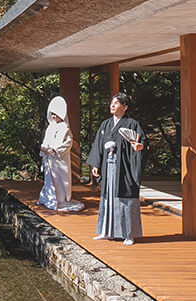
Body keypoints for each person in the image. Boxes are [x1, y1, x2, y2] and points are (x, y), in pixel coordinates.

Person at [87, 92, 146, 245]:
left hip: (124, 168)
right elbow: (98, 145)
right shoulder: (105, 124)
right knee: (107, 198)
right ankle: (106, 231)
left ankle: (129, 234)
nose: (112, 106)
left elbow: (142, 142)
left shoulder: (132, 124)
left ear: (125, 107)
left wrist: (139, 147)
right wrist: (96, 164)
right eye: (112, 103)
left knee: (125, 199)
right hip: (108, 166)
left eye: (116, 103)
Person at [38, 95, 83, 212]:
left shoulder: (65, 128)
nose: (53, 117)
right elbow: (46, 140)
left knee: (60, 179)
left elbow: (68, 143)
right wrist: (44, 147)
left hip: (59, 159)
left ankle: (60, 199)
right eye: (52, 114)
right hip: (49, 159)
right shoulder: (50, 127)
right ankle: (49, 199)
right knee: (50, 179)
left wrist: (56, 149)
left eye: (56, 114)